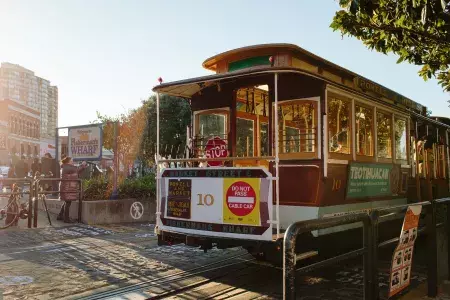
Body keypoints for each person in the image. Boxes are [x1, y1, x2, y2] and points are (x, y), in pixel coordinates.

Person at [57, 157, 87, 222]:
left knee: (67, 202)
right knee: (68, 203)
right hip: (67, 187)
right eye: (71, 160)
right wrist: (82, 165)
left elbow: (77, 171)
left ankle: (60, 215)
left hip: (67, 187)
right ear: (68, 161)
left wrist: (83, 166)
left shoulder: (65, 167)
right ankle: (66, 219)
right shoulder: (67, 167)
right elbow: (76, 170)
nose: (73, 162)